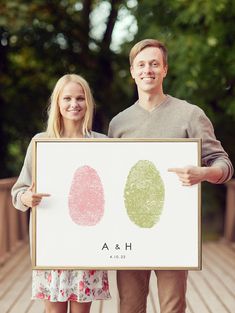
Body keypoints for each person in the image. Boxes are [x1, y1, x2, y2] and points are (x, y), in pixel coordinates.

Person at [108, 39, 234, 313]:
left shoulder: (190, 115)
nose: (147, 70)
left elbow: (224, 164)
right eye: (141, 65)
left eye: (154, 64)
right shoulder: (118, 124)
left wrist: (204, 173)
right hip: (130, 232)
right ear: (132, 71)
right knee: (129, 307)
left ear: (165, 69)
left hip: (175, 231)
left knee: (173, 307)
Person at [12, 74, 111, 313]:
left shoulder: (103, 144)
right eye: (67, 98)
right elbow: (18, 192)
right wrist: (27, 198)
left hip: (87, 246)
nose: (73, 104)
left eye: (80, 98)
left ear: (88, 103)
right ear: (57, 102)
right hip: (52, 245)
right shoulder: (41, 142)